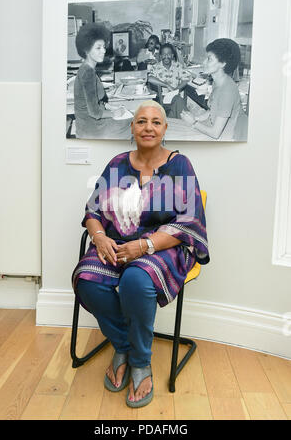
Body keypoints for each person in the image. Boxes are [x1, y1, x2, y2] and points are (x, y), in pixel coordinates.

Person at [71, 100, 209, 408]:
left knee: (136, 278)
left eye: (155, 122)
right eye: (141, 121)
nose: (148, 127)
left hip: (163, 246)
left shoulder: (180, 165)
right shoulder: (118, 162)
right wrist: (99, 236)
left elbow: (189, 221)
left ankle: (141, 362)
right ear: (132, 127)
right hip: (116, 242)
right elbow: (93, 209)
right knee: (88, 280)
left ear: (165, 128)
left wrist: (145, 246)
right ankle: (124, 345)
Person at [170, 38, 248, 141]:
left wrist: (193, 122)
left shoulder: (227, 90)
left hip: (226, 138)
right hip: (216, 131)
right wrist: (196, 118)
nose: (203, 62)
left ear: (223, 63)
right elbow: (212, 111)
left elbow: (215, 133)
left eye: (209, 59)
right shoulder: (218, 82)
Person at [74, 22, 132, 139]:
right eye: (98, 48)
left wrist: (111, 107)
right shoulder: (88, 72)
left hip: (87, 126)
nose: (104, 51)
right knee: (138, 124)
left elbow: (94, 102)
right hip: (93, 129)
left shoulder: (86, 68)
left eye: (104, 47)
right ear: (86, 50)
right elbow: (94, 112)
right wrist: (114, 113)